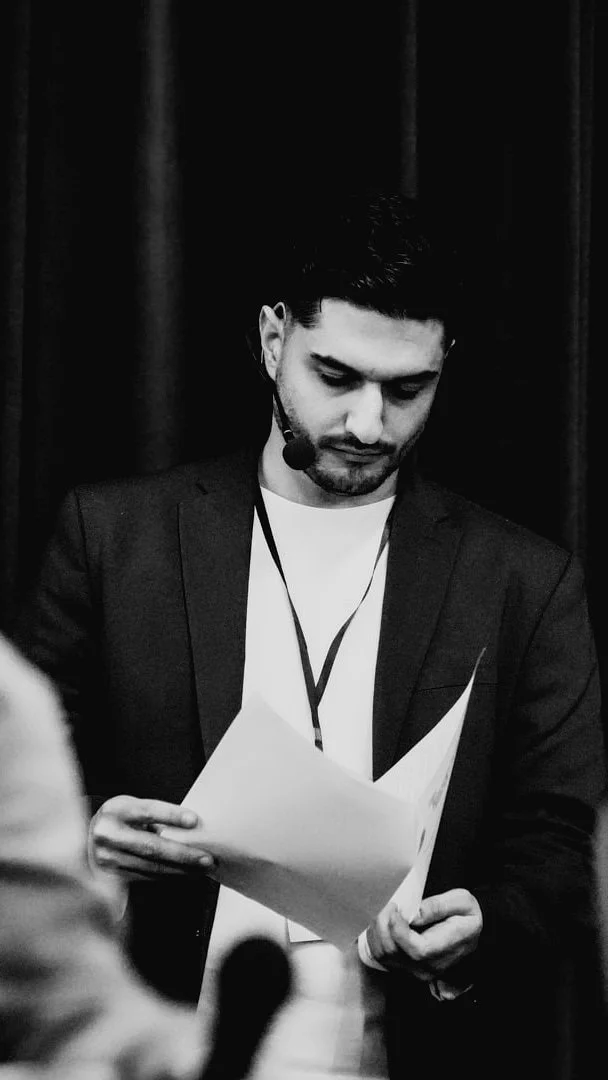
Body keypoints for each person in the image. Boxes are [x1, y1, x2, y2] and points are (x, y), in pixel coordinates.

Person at [12, 193, 606, 1079]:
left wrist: (486, 919)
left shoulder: (525, 579)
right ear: (271, 340)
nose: (370, 425)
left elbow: (564, 849)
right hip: (157, 1052)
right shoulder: (112, 537)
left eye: (408, 389)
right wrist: (88, 841)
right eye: (337, 377)